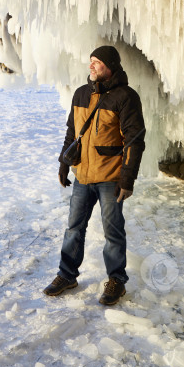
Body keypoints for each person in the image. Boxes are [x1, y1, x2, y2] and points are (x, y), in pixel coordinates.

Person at [44, 46, 146, 305]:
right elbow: (72, 132)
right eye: (90, 61)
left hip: (110, 176)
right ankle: (67, 275)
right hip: (83, 175)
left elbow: (134, 140)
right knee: (73, 228)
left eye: (97, 62)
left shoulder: (126, 97)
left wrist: (127, 178)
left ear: (110, 66)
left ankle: (116, 281)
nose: (91, 66)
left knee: (112, 231)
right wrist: (63, 164)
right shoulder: (80, 94)